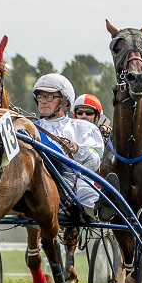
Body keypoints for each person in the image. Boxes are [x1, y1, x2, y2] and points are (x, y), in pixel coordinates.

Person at [33, 74, 105, 214]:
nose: (43, 101)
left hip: (78, 185)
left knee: (90, 197)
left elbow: (95, 161)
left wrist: (77, 150)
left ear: (65, 102)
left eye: (49, 97)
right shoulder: (30, 128)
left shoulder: (84, 128)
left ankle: (103, 209)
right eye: (40, 97)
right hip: (41, 187)